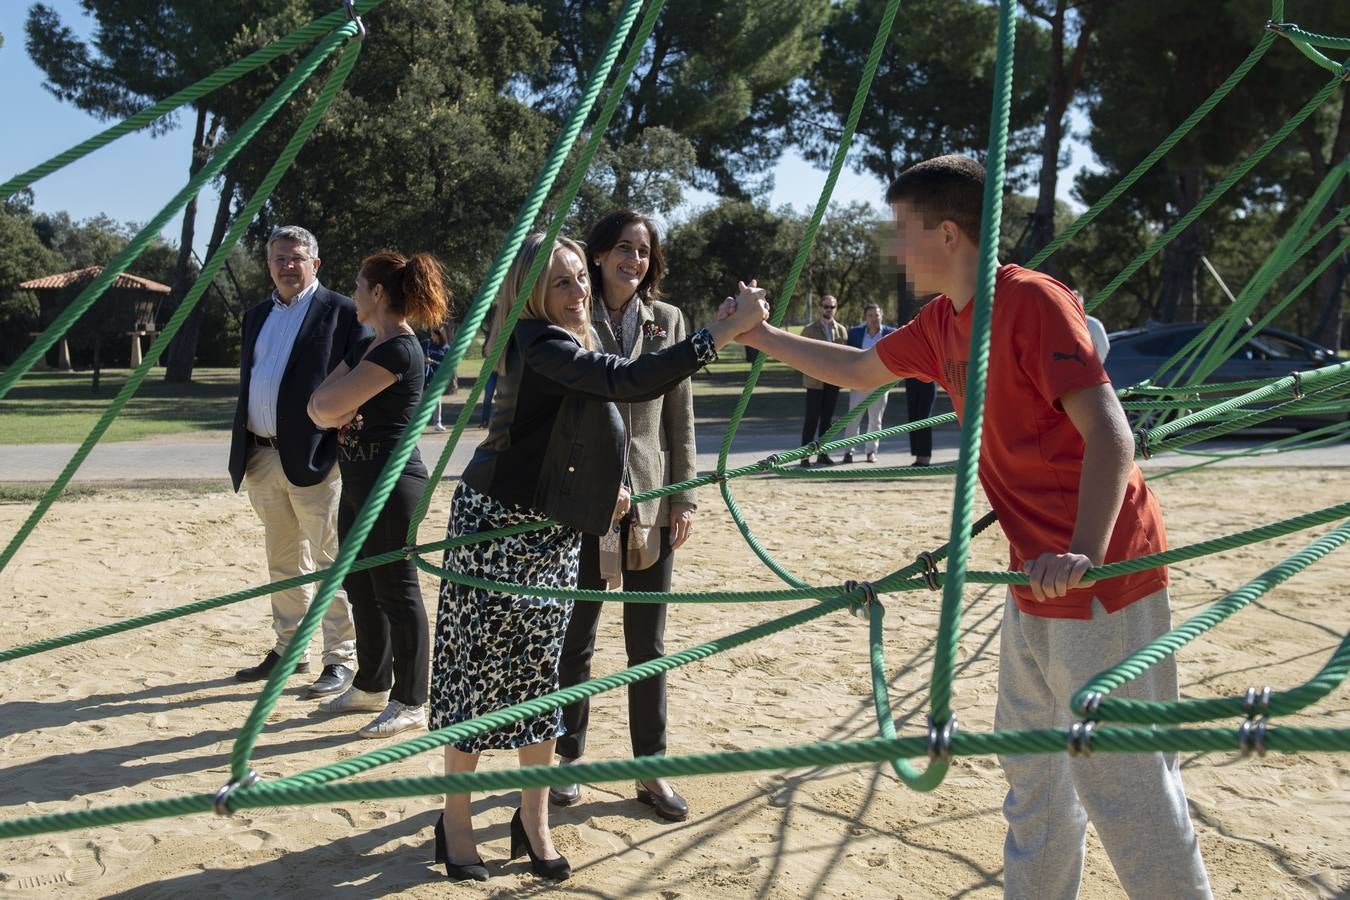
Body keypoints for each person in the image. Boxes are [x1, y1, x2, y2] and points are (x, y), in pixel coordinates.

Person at [733, 155, 1211, 900]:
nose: (895, 250)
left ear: (948, 233)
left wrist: (1083, 551)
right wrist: (759, 337)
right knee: (1032, 774)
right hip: (1033, 576)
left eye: (903, 231)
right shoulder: (941, 322)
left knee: (1124, 785)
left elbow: (1112, 436)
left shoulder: (1031, 303)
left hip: (1101, 578)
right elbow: (859, 371)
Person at [428, 233, 766, 882]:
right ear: (530, 294)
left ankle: (534, 821)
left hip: (552, 530)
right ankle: (458, 822)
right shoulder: (540, 341)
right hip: (495, 529)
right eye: (561, 282)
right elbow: (628, 384)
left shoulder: (577, 335)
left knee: (540, 682)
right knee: (474, 683)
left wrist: (602, 486)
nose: (579, 290)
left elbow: (582, 427)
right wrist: (718, 333)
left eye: (580, 276)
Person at [551, 210, 695, 822]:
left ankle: (649, 768)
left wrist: (683, 495)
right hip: (587, 502)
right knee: (576, 640)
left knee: (649, 644)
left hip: (652, 499)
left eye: (643, 250)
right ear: (600, 254)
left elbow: (679, 419)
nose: (632, 260)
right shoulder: (571, 321)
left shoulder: (668, 322)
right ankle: (567, 759)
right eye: (621, 248)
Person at [307, 251, 449, 738]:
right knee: (359, 584)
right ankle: (371, 682)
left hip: (392, 482)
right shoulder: (371, 344)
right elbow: (319, 407)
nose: (352, 294)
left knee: (396, 589)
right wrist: (329, 407)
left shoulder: (397, 350)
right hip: (359, 480)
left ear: (378, 293)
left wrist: (330, 407)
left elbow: (327, 404)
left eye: (358, 285)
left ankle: (411, 698)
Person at [227, 225, 360, 697]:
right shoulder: (256, 315)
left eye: (296, 257)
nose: (287, 265)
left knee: (329, 559)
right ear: (268, 265)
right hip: (261, 454)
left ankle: (340, 658)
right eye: (278, 258)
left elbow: (362, 378)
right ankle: (289, 649)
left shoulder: (342, 311)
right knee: (282, 560)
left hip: (315, 457)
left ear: (315, 263)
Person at [798, 294, 848, 466]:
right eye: (825, 306)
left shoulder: (841, 330)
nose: (828, 309)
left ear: (836, 308)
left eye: (832, 306)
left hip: (833, 381)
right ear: (820, 308)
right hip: (814, 381)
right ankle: (804, 456)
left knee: (827, 420)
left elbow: (844, 356)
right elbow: (799, 355)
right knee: (811, 419)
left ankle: (823, 453)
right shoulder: (809, 330)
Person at [842, 303, 895, 464]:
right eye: (870, 315)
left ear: (882, 316)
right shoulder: (855, 333)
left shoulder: (891, 333)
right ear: (865, 317)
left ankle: (871, 451)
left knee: (875, 421)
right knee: (853, 418)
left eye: (876, 315)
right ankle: (848, 452)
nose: (874, 319)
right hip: (859, 383)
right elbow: (848, 358)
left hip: (880, 384)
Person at [421, 326, 449, 432]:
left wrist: (432, 361)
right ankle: (418, 424)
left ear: (439, 336)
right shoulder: (426, 343)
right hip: (426, 377)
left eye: (433, 335)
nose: (431, 337)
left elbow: (446, 365)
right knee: (421, 401)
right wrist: (424, 359)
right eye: (431, 334)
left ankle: (438, 423)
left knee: (436, 401)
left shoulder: (446, 348)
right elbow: (417, 351)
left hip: (437, 378)